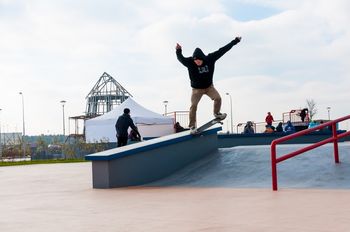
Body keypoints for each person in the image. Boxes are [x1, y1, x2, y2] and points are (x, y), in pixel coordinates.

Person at [176, 37, 242, 133]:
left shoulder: (210, 58)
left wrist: (234, 41)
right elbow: (180, 58)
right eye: (195, 61)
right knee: (193, 106)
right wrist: (178, 50)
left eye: (199, 61)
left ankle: (217, 113)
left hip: (209, 87)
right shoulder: (190, 62)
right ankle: (192, 126)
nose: (197, 62)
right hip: (196, 90)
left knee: (218, 98)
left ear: (203, 58)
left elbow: (222, 50)